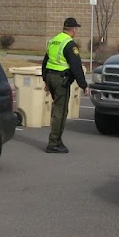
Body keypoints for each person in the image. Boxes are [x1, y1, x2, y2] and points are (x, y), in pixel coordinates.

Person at [41, 17, 88, 153]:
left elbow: (45, 62)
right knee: (60, 112)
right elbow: (76, 67)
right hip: (61, 79)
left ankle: (57, 139)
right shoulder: (69, 44)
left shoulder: (53, 41)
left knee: (57, 110)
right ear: (73, 30)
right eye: (76, 29)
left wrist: (46, 81)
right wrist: (84, 85)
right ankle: (54, 142)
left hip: (50, 76)